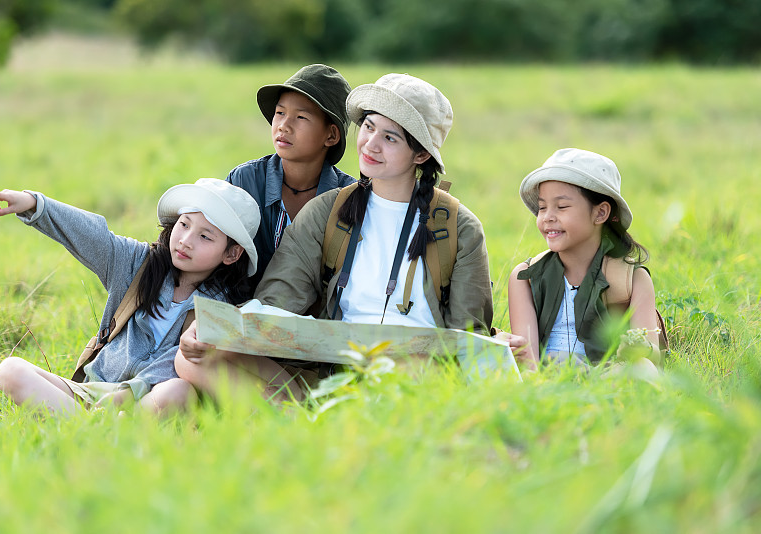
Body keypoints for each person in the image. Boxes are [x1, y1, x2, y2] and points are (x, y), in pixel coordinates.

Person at [175, 73, 526, 401]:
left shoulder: (458, 227)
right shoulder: (327, 210)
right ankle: (299, 422)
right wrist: (214, 329)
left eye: (389, 138)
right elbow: (275, 304)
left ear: (420, 154)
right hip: (334, 372)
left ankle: (314, 423)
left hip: (418, 377)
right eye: (368, 127)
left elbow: (468, 334)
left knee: (411, 366)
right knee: (193, 358)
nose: (370, 144)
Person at [0, 179, 260, 415]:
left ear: (231, 254)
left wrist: (129, 393)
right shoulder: (138, 264)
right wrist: (35, 204)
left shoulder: (222, 308)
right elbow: (93, 236)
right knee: (10, 370)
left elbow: (182, 363)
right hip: (94, 391)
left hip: (149, 402)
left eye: (205, 237)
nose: (186, 240)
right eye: (184, 224)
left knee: (179, 391)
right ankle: (94, 429)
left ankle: (83, 427)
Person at [507, 148, 661, 374]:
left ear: (600, 213)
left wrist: (639, 348)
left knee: (644, 370)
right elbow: (529, 363)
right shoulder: (526, 277)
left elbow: (653, 355)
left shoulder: (632, 279)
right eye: (542, 207)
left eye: (561, 207)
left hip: (606, 375)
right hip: (549, 376)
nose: (548, 217)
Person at [227, 63, 356, 290]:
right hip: (244, 307)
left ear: (331, 135)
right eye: (280, 113)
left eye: (301, 117)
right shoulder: (244, 181)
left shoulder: (349, 199)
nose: (283, 126)